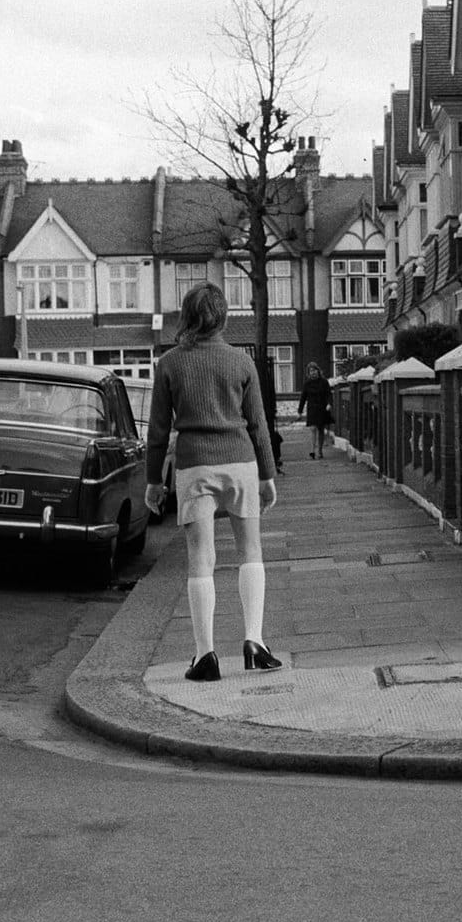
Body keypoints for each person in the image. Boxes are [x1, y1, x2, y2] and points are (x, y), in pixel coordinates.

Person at [146, 282, 282, 682]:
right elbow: (259, 425)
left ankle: (205, 656)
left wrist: (154, 481)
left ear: (187, 316)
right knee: (250, 552)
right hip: (239, 461)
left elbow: (157, 431)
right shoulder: (241, 362)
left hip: (194, 465)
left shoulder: (169, 363)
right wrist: (267, 475)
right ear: (223, 317)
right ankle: (254, 643)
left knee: (201, 560)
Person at [298, 361, 332, 459]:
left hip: (322, 408)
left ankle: (320, 450)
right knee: (313, 428)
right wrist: (300, 411)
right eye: (311, 371)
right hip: (312, 408)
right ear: (308, 373)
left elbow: (328, 394)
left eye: (314, 370)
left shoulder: (324, 382)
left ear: (318, 371)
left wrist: (329, 404)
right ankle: (312, 450)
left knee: (321, 429)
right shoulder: (307, 384)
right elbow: (303, 397)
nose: (313, 372)